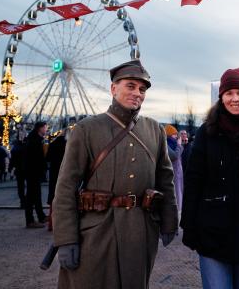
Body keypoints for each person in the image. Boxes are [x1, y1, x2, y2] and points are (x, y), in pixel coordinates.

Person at [52, 59, 178, 289]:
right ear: (113, 89)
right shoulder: (86, 129)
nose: (137, 93)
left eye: (142, 89)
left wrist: (169, 221)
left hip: (140, 232)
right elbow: (66, 188)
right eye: (130, 86)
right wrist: (66, 238)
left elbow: (165, 180)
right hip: (97, 232)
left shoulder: (154, 130)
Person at [181, 67, 239, 289]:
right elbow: (193, 181)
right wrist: (189, 225)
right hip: (213, 232)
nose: (235, 99)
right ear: (221, 97)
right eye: (229, 93)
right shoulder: (207, 132)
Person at [23, 122, 48, 228]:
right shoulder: (34, 141)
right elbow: (36, 158)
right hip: (32, 171)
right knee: (31, 196)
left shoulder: (34, 139)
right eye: (45, 127)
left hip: (33, 171)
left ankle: (41, 216)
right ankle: (30, 220)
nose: (46, 129)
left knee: (36, 195)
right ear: (40, 128)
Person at [46, 128, 67, 230]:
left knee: (53, 199)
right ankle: (61, 225)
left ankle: (51, 223)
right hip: (64, 173)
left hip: (53, 173)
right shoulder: (68, 145)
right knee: (64, 199)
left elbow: (48, 158)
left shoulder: (52, 144)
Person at [164, 124, 183, 209]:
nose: (176, 136)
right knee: (175, 194)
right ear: (170, 135)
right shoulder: (167, 144)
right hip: (173, 174)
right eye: (175, 134)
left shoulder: (173, 144)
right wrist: (179, 145)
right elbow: (175, 156)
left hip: (177, 174)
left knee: (179, 193)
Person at [9, 137, 26, 209]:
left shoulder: (15, 149)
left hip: (19, 169)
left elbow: (12, 160)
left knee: (20, 187)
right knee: (30, 186)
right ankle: (25, 201)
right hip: (27, 169)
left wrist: (10, 167)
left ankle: (22, 201)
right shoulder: (26, 147)